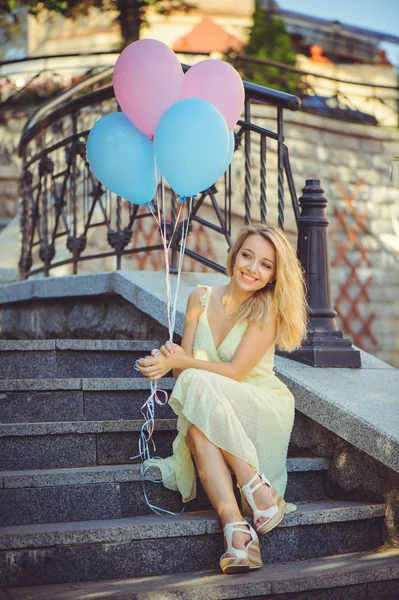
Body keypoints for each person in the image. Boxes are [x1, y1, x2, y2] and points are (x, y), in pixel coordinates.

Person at [137, 222, 308, 574]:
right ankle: (238, 529)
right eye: (248, 256)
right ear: (235, 255)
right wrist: (165, 360)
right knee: (198, 430)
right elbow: (183, 377)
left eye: (266, 264)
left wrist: (180, 361)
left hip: (259, 402)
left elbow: (235, 372)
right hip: (209, 403)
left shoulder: (267, 309)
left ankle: (253, 487)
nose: (253, 268)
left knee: (200, 406)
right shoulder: (198, 298)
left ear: (275, 276)